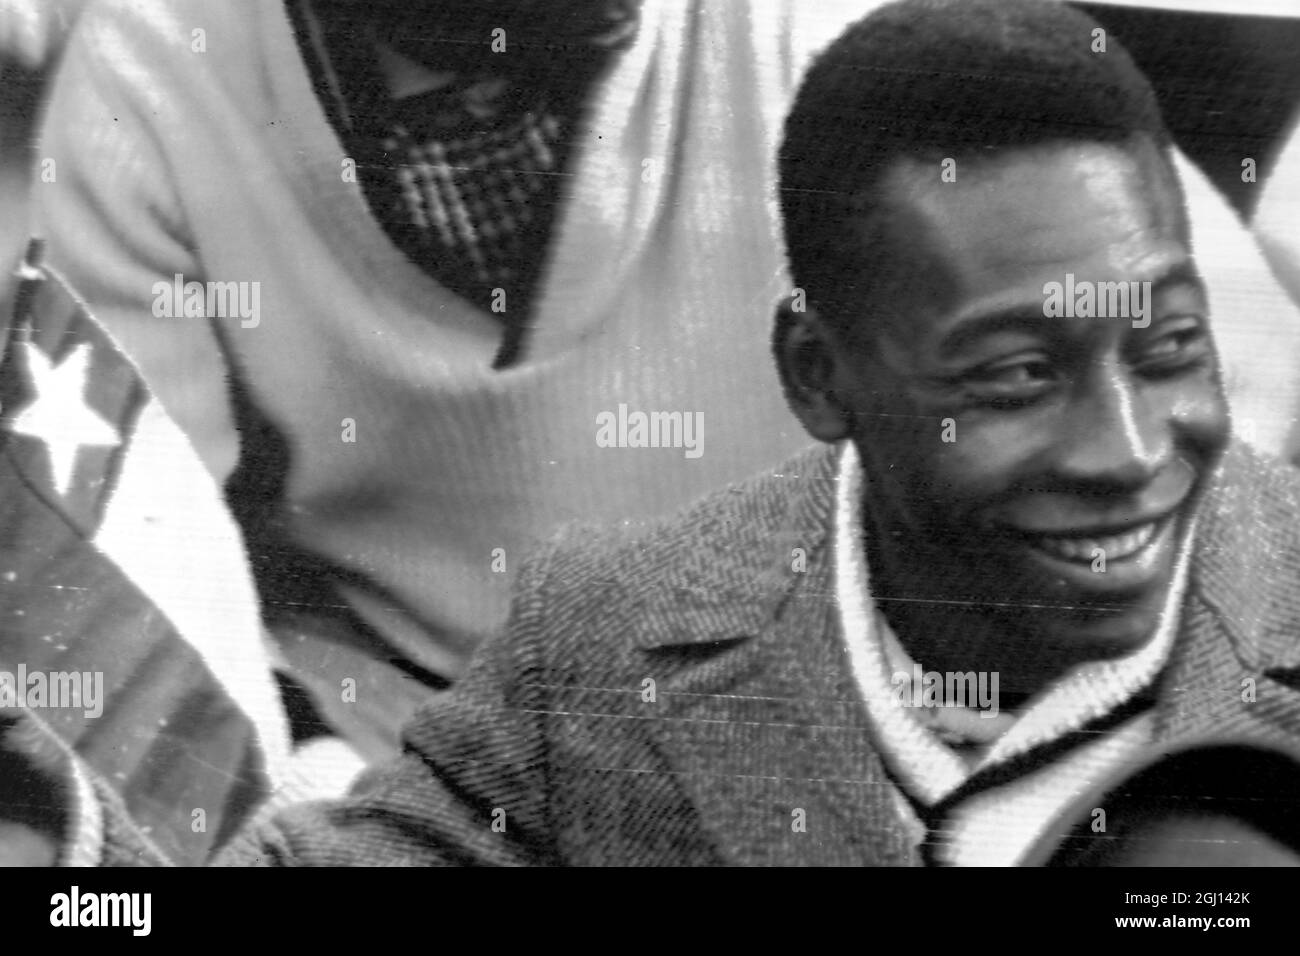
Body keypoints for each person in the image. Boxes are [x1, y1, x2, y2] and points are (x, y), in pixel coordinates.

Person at [13, 0, 1300, 866]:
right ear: (814, 371)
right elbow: (148, 566)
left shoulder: (849, 54)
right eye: (1016, 374)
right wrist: (62, 840)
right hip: (439, 734)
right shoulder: (584, 655)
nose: (1126, 441)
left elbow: (1228, 398)